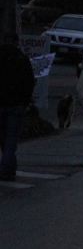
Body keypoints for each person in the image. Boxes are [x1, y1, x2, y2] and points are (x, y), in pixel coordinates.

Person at [0, 34, 35, 181]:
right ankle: (6, 168)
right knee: (11, 140)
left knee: (4, 139)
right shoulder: (22, 59)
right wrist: (26, 102)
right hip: (16, 105)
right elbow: (29, 82)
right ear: (16, 43)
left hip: (1, 103)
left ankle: (9, 167)